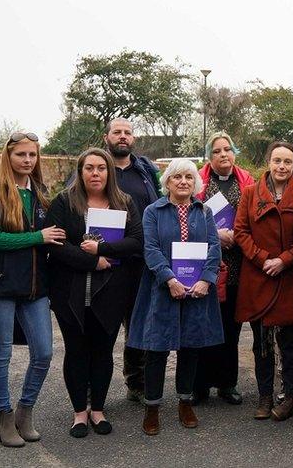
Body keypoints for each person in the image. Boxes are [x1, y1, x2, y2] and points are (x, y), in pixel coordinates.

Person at [45, 148, 144, 438]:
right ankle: (79, 413)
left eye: (101, 168)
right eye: (89, 168)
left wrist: (103, 249)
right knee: (76, 350)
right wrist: (92, 260)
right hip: (70, 292)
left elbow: (137, 241)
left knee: (102, 351)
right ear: (80, 171)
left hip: (111, 293)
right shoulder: (64, 202)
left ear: (109, 172)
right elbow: (55, 245)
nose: (96, 173)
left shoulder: (123, 203)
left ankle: (98, 409)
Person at [127, 158, 223, 436]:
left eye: (189, 177)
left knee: (190, 347)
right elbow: (151, 248)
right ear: (167, 181)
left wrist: (206, 280)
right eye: (177, 177)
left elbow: (214, 248)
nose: (183, 182)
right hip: (161, 288)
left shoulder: (204, 212)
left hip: (197, 291)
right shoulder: (152, 211)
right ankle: (152, 407)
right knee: (156, 348)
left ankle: (185, 402)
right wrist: (169, 278)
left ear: (196, 183)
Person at [0, 132, 60, 447]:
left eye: (33, 155)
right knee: (0, 355)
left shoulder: (40, 192)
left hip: (35, 288)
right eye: (21, 155)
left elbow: (55, 234)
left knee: (43, 352)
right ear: (8, 157)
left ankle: (24, 412)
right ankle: (3, 417)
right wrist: (36, 238)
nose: (28, 161)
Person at [234, 142, 293, 422]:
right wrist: (263, 259)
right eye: (277, 161)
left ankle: (291, 396)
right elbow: (240, 231)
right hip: (258, 276)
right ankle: (264, 395)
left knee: (290, 343)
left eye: (288, 162)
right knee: (261, 342)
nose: (282, 167)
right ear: (269, 161)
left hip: (288, 277)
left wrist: (285, 259)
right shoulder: (250, 194)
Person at [102, 118, 161, 403]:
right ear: (107, 137)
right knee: (104, 324)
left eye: (127, 132)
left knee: (139, 323)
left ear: (133, 139)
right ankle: (94, 388)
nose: (123, 137)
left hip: (143, 259)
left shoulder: (146, 170)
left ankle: (136, 381)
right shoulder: (96, 168)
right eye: (117, 132)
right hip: (108, 261)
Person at [193, 133, 255, 406]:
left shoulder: (247, 182)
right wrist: (215, 234)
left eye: (227, 149)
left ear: (234, 152)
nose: (223, 154)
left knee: (231, 327)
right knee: (203, 324)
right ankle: (200, 385)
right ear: (210, 156)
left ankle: (227, 384)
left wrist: (235, 236)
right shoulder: (197, 182)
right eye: (216, 151)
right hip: (206, 263)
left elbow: (254, 218)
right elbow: (189, 216)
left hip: (238, 264)